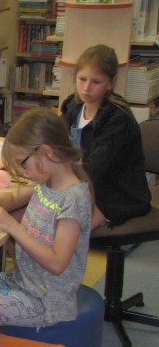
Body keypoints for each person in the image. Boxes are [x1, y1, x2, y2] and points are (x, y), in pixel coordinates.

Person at [0, 109, 92, 328]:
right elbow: (14, 199)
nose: (22, 172)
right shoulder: (46, 182)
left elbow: (57, 264)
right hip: (20, 281)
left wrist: (13, 227)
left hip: (45, 301)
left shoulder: (73, 199)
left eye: (22, 163)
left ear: (46, 152)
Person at [60, 44, 151, 228]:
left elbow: (94, 170)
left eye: (96, 82)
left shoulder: (118, 119)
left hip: (114, 195)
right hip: (78, 185)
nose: (86, 87)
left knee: (63, 230)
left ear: (111, 83)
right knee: (28, 212)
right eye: (82, 79)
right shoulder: (73, 107)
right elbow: (53, 140)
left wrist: (57, 176)